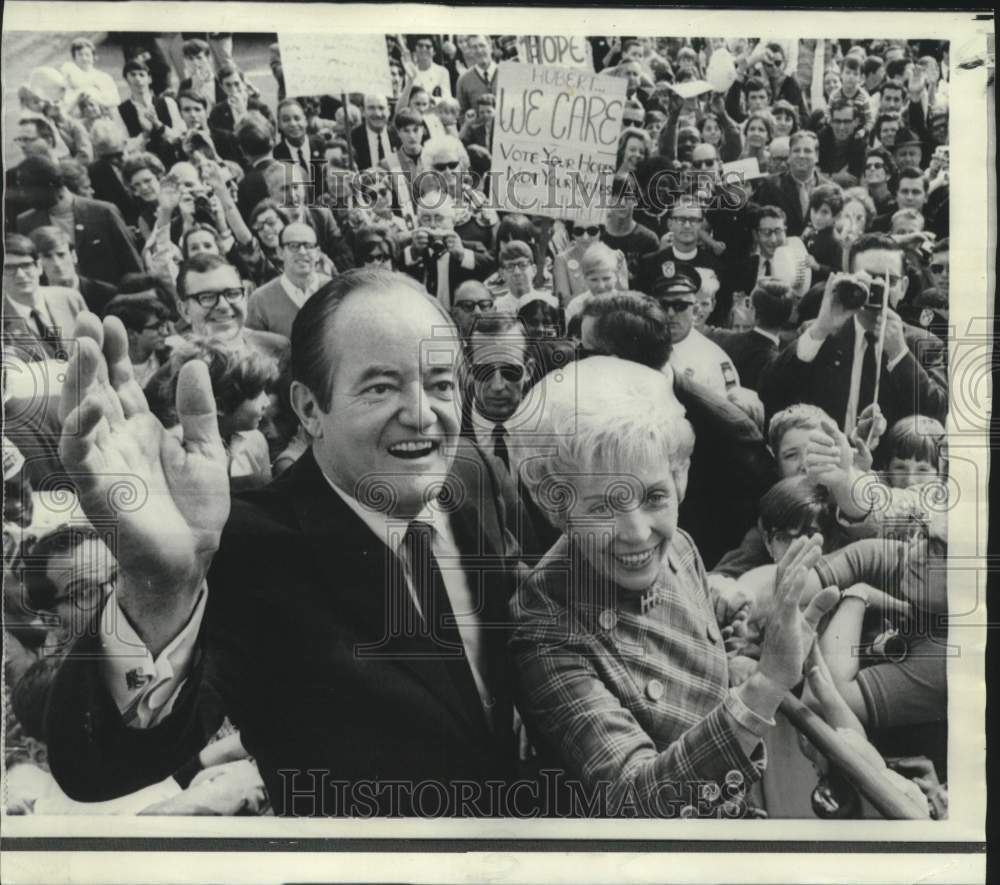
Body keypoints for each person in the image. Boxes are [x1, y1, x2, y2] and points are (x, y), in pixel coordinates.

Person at [46, 268, 527, 815]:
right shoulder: (245, 543)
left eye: (440, 384)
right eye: (380, 387)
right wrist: (160, 588)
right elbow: (97, 765)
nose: (422, 414)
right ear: (308, 409)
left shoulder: (473, 475)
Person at [507, 354, 838, 817]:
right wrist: (766, 684)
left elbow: (702, 668)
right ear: (557, 508)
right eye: (604, 507)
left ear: (679, 477)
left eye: (654, 496)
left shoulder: (680, 546)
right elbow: (635, 802)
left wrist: (742, 650)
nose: (639, 532)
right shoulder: (545, 627)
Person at [578, 293, 776, 569]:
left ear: (620, 358)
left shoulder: (727, 429)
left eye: (585, 352)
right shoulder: (604, 410)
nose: (579, 363)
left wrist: (730, 573)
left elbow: (770, 512)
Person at [759, 233, 948, 437]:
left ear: (903, 287)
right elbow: (770, 390)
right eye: (868, 280)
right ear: (849, 280)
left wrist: (900, 353)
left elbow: (937, 413)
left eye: (889, 281)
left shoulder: (924, 343)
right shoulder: (820, 331)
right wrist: (820, 330)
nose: (879, 290)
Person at [146, 337, 279, 491]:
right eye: (256, 395)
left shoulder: (255, 441)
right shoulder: (174, 448)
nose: (266, 402)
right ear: (220, 405)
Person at [15, 154, 144, 286]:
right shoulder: (26, 223)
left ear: (50, 185)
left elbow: (132, 265)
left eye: (28, 189)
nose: (22, 195)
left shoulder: (103, 213)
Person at [176, 253, 289, 365]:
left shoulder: (278, 351)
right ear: (185, 311)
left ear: (245, 298)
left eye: (232, 294)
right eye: (207, 297)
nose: (223, 306)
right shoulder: (171, 376)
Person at [401, 190, 495, 306]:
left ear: (452, 221)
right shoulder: (412, 248)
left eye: (439, 218)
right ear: (419, 223)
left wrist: (462, 255)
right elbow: (395, 267)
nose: (433, 225)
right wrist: (413, 253)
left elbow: (491, 268)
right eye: (426, 219)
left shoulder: (473, 247)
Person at [2, 234, 87, 363]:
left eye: (26, 265)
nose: (20, 275)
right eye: (8, 268)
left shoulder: (70, 299)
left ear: (39, 267)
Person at [246, 223, 333, 340]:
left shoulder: (334, 289)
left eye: (308, 245)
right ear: (280, 252)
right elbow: (254, 348)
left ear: (317, 253)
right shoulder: (260, 300)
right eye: (293, 246)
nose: (302, 252)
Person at [712, 279, 794, 392]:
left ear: (753, 310)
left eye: (748, 303)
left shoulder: (722, 338)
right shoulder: (779, 364)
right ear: (789, 315)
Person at [755, 131, 834, 236]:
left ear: (816, 156)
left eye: (807, 151)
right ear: (789, 155)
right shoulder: (771, 186)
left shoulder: (829, 190)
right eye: (796, 151)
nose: (801, 155)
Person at [28, 225, 119, 315]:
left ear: (73, 256)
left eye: (61, 255)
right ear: (38, 264)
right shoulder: (36, 299)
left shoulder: (106, 294)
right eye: (47, 257)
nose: (57, 263)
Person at [117, 60, 185, 168]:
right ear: (126, 79)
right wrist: (144, 136)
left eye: (141, 75)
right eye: (133, 75)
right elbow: (124, 145)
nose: (138, 79)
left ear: (149, 79)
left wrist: (158, 125)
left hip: (171, 158)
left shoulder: (168, 102)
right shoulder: (120, 110)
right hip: (141, 163)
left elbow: (179, 135)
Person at [103, 292, 173, 386]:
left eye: (164, 325)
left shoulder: (170, 359)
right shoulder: (106, 371)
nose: (165, 333)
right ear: (131, 334)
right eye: (157, 327)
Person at [59, 37, 120, 111]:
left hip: (100, 116)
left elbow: (116, 100)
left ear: (94, 57)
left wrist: (96, 99)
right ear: (74, 58)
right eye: (80, 55)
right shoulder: (68, 79)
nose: (84, 58)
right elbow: (65, 104)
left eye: (87, 55)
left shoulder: (103, 77)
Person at [273, 98, 325, 177]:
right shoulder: (276, 156)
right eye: (286, 120)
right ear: (279, 124)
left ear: (305, 120)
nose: (293, 124)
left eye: (297, 118)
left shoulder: (321, 145)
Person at [350, 93, 400, 170]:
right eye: (371, 108)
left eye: (381, 108)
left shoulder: (400, 135)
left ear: (389, 111)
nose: (377, 114)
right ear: (362, 111)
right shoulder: (351, 139)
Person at [456, 35, 497, 115]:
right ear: (470, 52)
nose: (479, 50)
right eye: (474, 47)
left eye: (482, 45)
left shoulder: (508, 74)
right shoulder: (463, 80)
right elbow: (461, 115)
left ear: (491, 47)